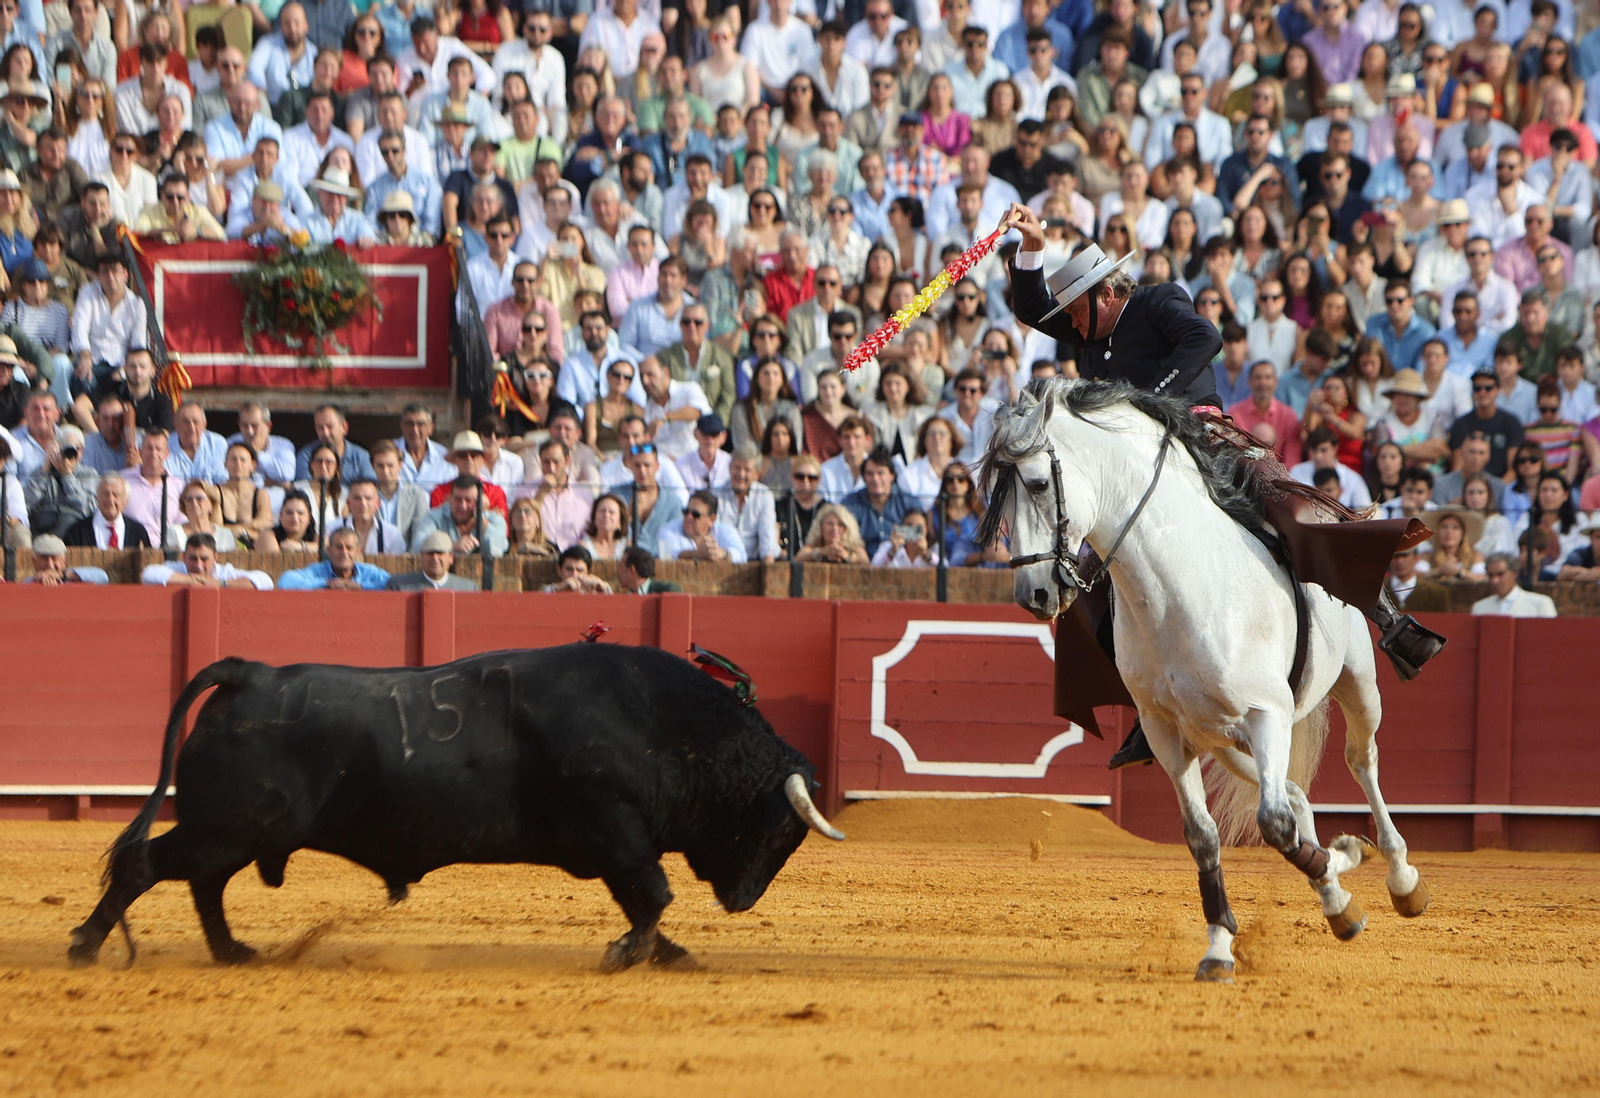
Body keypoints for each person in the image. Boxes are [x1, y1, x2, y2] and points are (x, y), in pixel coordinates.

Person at [1005, 198, 1443, 768]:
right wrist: (1033, 245)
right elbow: (1033, 307)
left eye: (1078, 309)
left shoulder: (1157, 300)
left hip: (1199, 435)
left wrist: (1151, 401)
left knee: (1282, 501)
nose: (1071, 323)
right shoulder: (1089, 323)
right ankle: (1148, 707)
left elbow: (1204, 340)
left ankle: (1386, 617)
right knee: (1091, 578)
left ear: (1106, 292)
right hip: (1137, 468)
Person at [143, 532, 274, 589]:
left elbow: (266, 581)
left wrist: (221, 584)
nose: (198, 565)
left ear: (216, 558)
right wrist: (192, 580)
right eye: (193, 558)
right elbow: (148, 574)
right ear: (184, 557)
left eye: (204, 559)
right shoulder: (176, 568)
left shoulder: (224, 573)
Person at [62, 472, 153, 548]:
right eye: (105, 494)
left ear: (126, 501)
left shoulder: (138, 532)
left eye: (116, 495)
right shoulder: (77, 532)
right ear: (97, 498)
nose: (110, 500)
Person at [386, 529, 479, 590]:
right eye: (430, 553)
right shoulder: (398, 586)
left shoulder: (468, 589)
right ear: (421, 557)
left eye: (440, 553)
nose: (435, 558)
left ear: (451, 557)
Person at [1470, 552, 1557, 616]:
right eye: (1491, 575)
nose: (1494, 581)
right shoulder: (1479, 608)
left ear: (1514, 574)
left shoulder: (1540, 604)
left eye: (1500, 574)